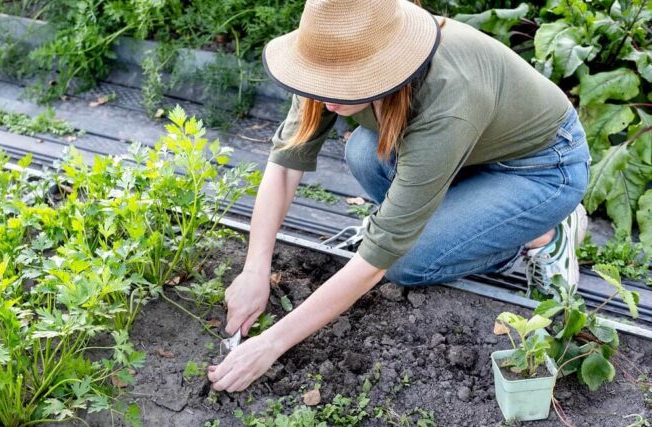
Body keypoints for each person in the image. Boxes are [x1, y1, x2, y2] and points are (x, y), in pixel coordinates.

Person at [207, 0, 591, 393]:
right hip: (468, 153)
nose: (325, 101)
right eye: (319, 81)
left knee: (406, 262)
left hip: (540, 169)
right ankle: (470, 217)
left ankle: (544, 235)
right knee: (363, 151)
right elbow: (286, 164)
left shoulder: (448, 96)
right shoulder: (337, 51)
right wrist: (255, 269)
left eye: (340, 85)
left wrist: (270, 344)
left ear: (384, 68)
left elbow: (378, 257)